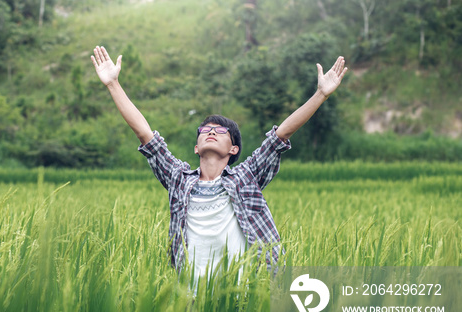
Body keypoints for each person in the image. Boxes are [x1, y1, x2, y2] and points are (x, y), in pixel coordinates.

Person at [91, 45, 347, 288]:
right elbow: (145, 134)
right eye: (205, 130)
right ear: (196, 146)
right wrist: (113, 84)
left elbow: (281, 135)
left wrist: (321, 94)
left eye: (220, 131)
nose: (211, 132)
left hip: (242, 293)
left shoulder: (247, 177)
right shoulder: (179, 179)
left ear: (233, 149)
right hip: (191, 296)